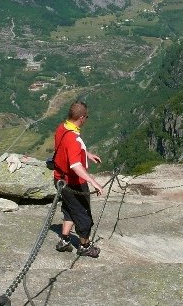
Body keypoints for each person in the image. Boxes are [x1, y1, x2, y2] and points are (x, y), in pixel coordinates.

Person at [53, 100, 106, 257]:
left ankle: (64, 240)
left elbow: (66, 149)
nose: (86, 119)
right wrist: (93, 182)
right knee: (83, 215)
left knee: (70, 208)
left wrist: (86, 154)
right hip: (74, 183)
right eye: (86, 117)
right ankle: (84, 247)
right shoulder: (74, 138)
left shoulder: (62, 128)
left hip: (59, 179)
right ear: (81, 117)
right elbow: (75, 166)